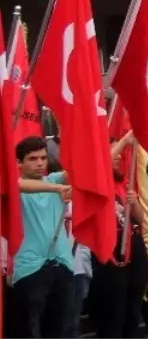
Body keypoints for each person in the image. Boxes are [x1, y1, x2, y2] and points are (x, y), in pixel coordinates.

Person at [10, 136, 75, 338]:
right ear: (18, 163)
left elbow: (94, 165)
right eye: (32, 159)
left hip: (62, 267)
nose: (39, 163)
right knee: (28, 331)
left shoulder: (54, 179)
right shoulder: (13, 186)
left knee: (59, 331)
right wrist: (57, 189)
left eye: (43, 158)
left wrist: (125, 140)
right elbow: (17, 185)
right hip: (30, 270)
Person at [89, 132, 148, 339]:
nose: (117, 156)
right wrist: (124, 141)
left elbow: (140, 219)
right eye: (111, 151)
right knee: (113, 311)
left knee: (133, 307)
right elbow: (99, 169)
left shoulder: (123, 181)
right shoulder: (95, 181)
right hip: (110, 248)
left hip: (133, 245)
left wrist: (133, 203)